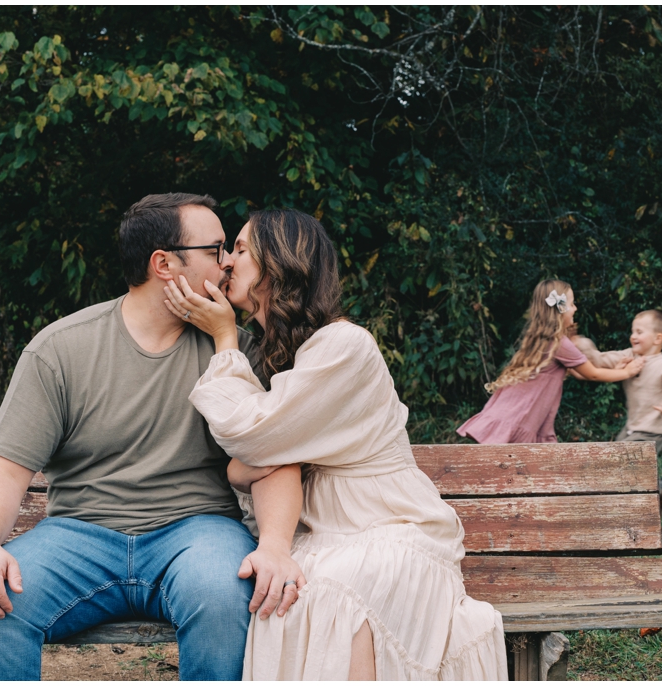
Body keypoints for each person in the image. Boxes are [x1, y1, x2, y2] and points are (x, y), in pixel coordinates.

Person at [0, 193, 306, 681]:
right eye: (215, 248)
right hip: (79, 533)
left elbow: (272, 459)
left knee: (225, 597)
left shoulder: (236, 350)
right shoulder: (61, 349)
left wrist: (273, 544)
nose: (228, 263)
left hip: (196, 531)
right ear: (163, 263)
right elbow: (2, 472)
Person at [163, 208, 508, 680]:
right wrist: (240, 467)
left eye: (240, 249)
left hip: (390, 528)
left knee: (330, 594)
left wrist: (224, 336)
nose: (225, 263)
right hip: (322, 536)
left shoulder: (346, 346)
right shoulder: (280, 357)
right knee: (287, 595)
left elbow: (251, 435)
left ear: (279, 261)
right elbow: (253, 457)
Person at [456, 279, 644, 444]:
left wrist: (616, 370)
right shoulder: (560, 343)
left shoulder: (544, 339)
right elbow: (592, 373)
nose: (576, 309)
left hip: (514, 413)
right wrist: (626, 373)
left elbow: (576, 372)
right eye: (572, 304)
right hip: (519, 417)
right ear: (560, 309)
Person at [570, 309, 662, 515]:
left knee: (620, 460)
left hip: (653, 428)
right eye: (632, 331)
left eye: (639, 332)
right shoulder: (629, 355)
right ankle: (659, 490)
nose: (633, 336)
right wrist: (580, 344)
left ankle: (651, 494)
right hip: (633, 426)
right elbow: (600, 360)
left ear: (658, 338)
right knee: (625, 466)